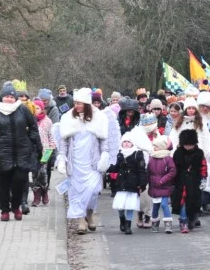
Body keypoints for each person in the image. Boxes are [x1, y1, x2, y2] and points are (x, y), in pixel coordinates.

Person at [0, 83, 42, 222]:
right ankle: (4, 210)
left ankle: (16, 207)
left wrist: (34, 143)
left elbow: (33, 126)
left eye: (11, 97)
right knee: (4, 182)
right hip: (2, 152)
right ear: (2, 97)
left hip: (22, 151)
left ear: (15, 98)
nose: (9, 99)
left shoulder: (22, 110)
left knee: (19, 181)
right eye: (6, 97)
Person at [57, 88, 111, 235]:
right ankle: (81, 220)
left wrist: (105, 155)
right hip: (75, 164)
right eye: (75, 103)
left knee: (93, 191)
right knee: (76, 193)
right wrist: (62, 158)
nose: (77, 106)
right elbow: (64, 141)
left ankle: (89, 213)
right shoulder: (68, 118)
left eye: (80, 103)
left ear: (86, 104)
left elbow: (104, 140)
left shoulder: (98, 118)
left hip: (92, 163)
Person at [172, 128, 206, 234]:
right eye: (186, 144)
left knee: (193, 201)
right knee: (182, 201)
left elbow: (203, 166)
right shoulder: (178, 153)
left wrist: (203, 178)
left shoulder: (199, 153)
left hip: (194, 180)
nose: (188, 147)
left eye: (190, 144)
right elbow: (174, 168)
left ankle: (191, 218)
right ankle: (183, 221)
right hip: (180, 181)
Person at [111, 138, 147, 235]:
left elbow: (141, 170)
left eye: (129, 142)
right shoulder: (119, 154)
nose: (126, 144)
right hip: (121, 182)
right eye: (124, 142)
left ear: (132, 144)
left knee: (130, 205)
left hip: (133, 183)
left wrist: (142, 183)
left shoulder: (137, 154)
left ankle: (128, 225)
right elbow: (116, 168)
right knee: (120, 205)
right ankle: (122, 220)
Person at [147, 135, 177, 233]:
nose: (154, 148)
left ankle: (168, 224)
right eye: (154, 146)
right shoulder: (151, 158)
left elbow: (172, 172)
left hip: (164, 186)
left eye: (156, 146)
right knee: (155, 206)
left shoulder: (167, 158)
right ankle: (155, 222)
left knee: (164, 204)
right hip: (154, 186)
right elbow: (148, 172)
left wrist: (162, 180)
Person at [31, 98, 57, 207]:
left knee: (43, 173)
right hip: (32, 151)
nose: (35, 110)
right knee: (34, 174)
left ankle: (44, 192)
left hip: (45, 151)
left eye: (37, 108)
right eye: (34, 108)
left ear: (41, 109)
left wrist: (51, 148)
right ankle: (36, 196)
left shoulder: (47, 121)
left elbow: (51, 136)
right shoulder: (30, 120)